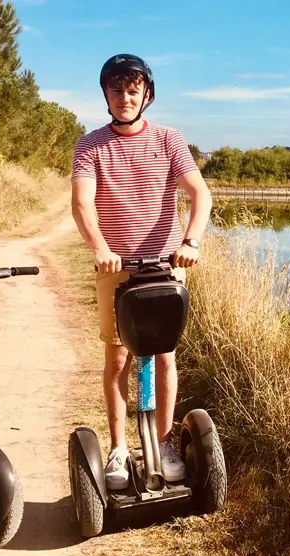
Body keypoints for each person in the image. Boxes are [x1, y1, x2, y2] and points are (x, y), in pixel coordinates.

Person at [70, 53, 213, 489]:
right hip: (117, 266)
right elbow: (82, 203)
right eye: (117, 90)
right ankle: (117, 448)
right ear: (106, 95)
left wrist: (190, 242)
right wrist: (100, 248)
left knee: (164, 354)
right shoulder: (89, 145)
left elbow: (199, 195)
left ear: (146, 94)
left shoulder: (169, 139)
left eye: (133, 90)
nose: (125, 97)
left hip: (167, 265)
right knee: (117, 357)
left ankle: (165, 443)